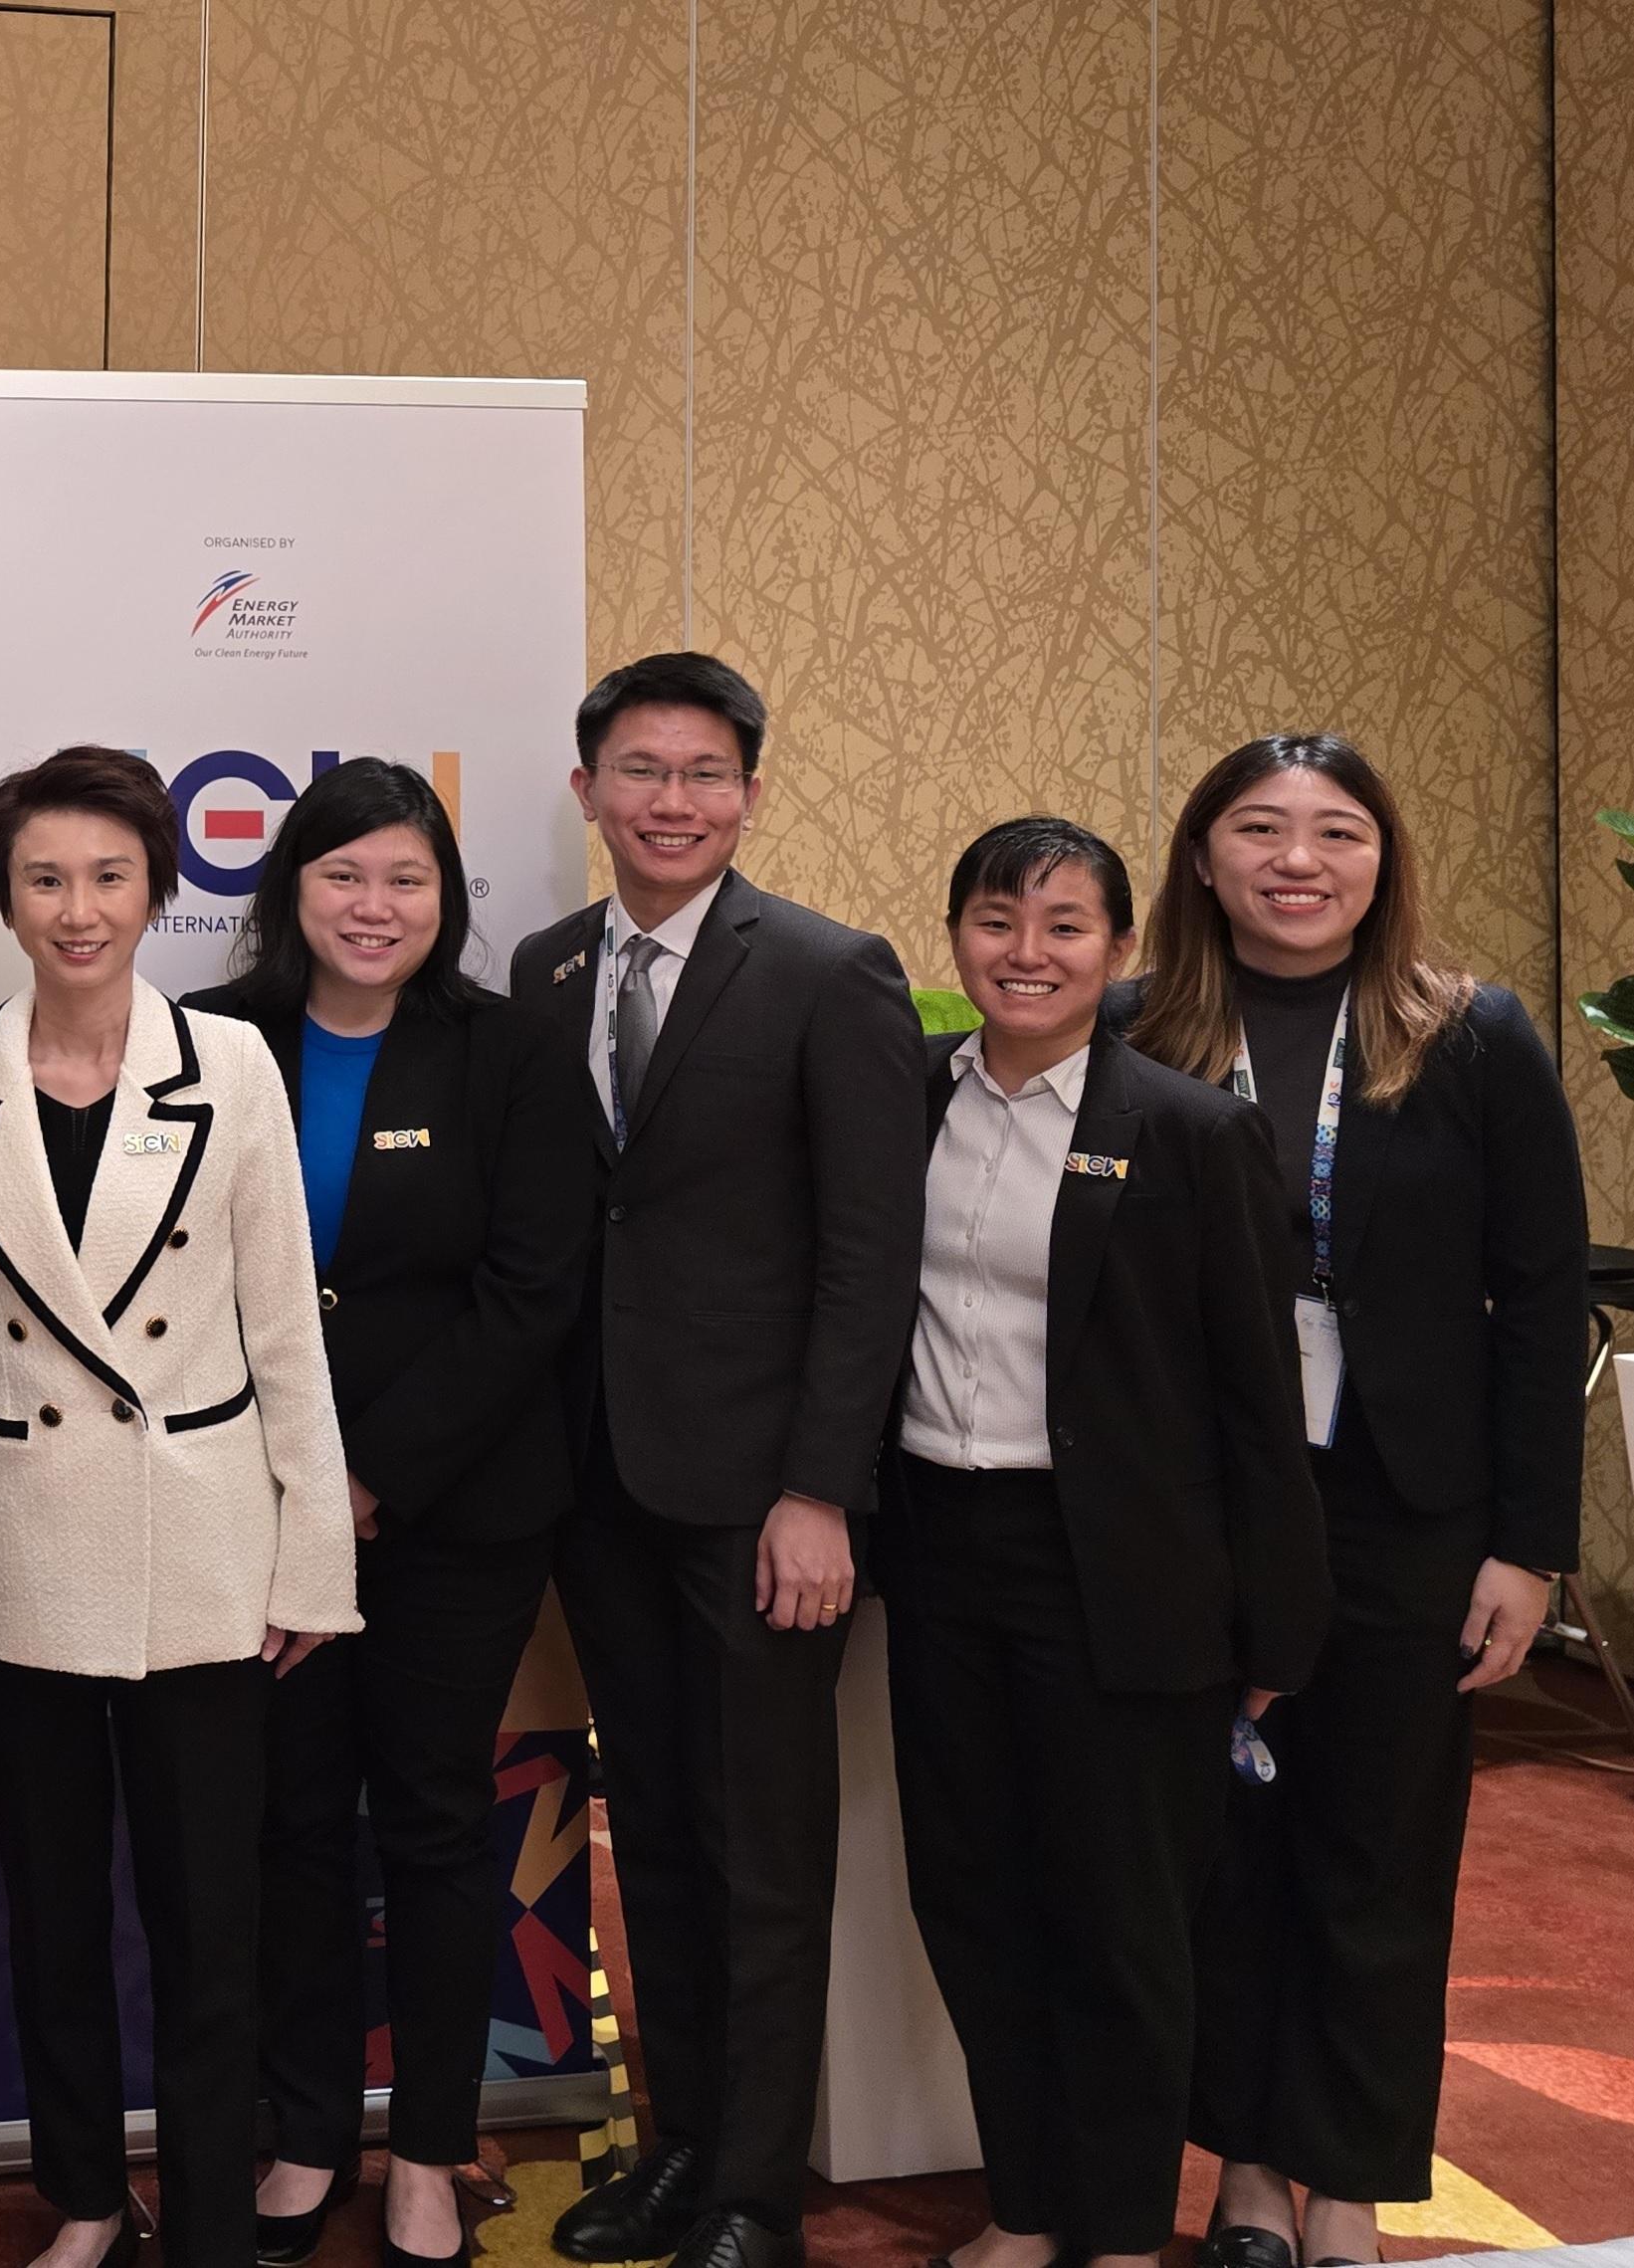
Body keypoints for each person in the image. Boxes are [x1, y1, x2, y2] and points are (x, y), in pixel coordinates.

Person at [0, 744, 360, 2268]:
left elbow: (285, 1326)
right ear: (3, 897)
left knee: (212, 1920)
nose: (76, 911)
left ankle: (211, 2218)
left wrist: (308, 1562)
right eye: (43, 879)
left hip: (200, 1544)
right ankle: (86, 2197)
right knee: (51, 1906)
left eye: (106, 876)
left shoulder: (226, 1070)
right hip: (16, 1535)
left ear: (156, 887)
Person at [1119, 736, 1590, 2268]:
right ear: (1201, 857)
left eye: (1334, 833)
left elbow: (1537, 1301)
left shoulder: (1471, 1038)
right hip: (1201, 1506)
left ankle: (1345, 2185)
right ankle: (1246, 2172)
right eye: (1257, 829)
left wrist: (1528, 1546)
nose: (1295, 860)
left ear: (1380, 862)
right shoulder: (1136, 1033)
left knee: (1377, 1850)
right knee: (1228, 1847)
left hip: (1404, 1505)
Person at [511, 653, 923, 2268]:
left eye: (701, 774)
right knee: (657, 1831)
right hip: (598, 1486)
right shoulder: (547, 972)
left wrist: (820, 1488)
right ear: (586, 792)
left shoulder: (831, 973)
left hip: (763, 1500)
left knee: (761, 1847)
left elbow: (866, 1256)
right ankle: (680, 2143)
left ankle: (758, 2190)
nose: (669, 801)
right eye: (638, 770)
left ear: (749, 793)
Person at [884, 816, 1331, 2268]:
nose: (1027, 953)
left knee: (1121, 1923)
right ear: (953, 936)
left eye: (1064, 926)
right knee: (974, 1895)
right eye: (997, 922)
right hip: (942, 1553)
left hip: (1122, 1581)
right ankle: (1024, 2207)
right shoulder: (909, 1101)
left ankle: (1126, 2233)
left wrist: (1273, 1631)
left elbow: (1258, 1407)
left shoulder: (1188, 1131)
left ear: (1119, 951)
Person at [181, 759, 598, 2268]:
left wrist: (370, 1473)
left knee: (427, 1822)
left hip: (457, 1512)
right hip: (246, 1507)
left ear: (447, 899)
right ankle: (304, 2136)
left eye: (406, 879)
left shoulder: (513, 1052)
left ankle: (425, 2149)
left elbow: (533, 1290)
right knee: (286, 1823)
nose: (375, 906)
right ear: (291, 889)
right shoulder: (212, 1040)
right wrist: (290, 1480)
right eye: (344, 875)